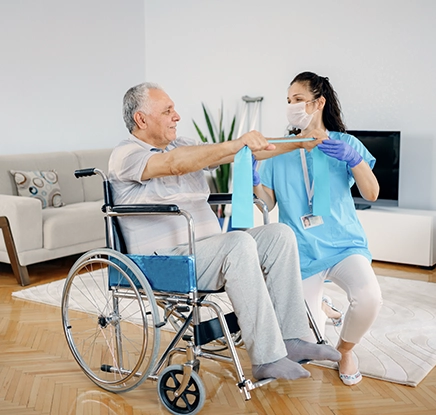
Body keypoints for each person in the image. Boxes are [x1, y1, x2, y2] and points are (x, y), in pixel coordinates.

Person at [108, 82, 341, 382]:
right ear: (141, 119)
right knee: (238, 242)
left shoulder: (182, 145)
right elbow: (174, 165)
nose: (176, 116)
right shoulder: (125, 154)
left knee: (279, 235)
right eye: (167, 111)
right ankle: (266, 358)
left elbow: (242, 151)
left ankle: (291, 340)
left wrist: (300, 142)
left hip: (206, 250)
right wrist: (236, 144)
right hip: (165, 262)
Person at [253, 71, 383, 386]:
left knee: (369, 298)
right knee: (307, 343)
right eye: (288, 101)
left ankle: (346, 349)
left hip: (343, 244)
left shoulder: (346, 144)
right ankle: (323, 307)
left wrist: (355, 160)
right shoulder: (278, 149)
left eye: (298, 99)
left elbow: (372, 193)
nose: (291, 106)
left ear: (318, 102)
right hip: (300, 250)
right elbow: (268, 203)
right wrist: (254, 178)